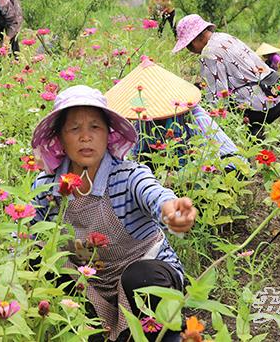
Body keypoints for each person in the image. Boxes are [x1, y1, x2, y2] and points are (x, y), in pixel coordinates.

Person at [31, 85, 197, 342]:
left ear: (109, 134)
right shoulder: (47, 186)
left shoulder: (128, 175)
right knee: (42, 265)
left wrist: (171, 211)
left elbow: (154, 194)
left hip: (141, 274)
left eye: (95, 127)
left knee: (141, 280)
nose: (85, 137)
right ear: (60, 138)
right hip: (88, 283)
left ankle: (170, 333)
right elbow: (30, 235)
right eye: (74, 128)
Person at [172, 14, 280, 140]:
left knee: (212, 104)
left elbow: (216, 98)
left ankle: (245, 142)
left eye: (189, 45)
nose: (190, 50)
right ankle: (255, 135)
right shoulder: (224, 37)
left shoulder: (209, 53)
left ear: (196, 39)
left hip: (264, 105)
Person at [104, 59, 241, 165]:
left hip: (205, 169)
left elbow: (223, 156)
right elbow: (136, 155)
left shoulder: (194, 117)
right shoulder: (145, 121)